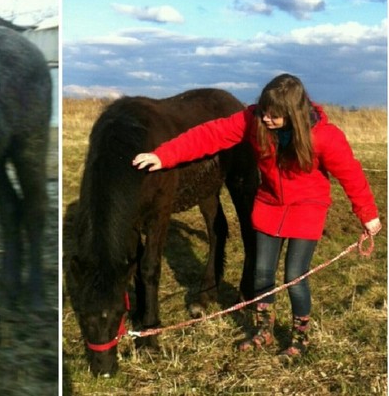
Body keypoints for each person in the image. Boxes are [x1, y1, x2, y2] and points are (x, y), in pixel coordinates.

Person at [132, 73, 382, 361]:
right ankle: (264, 329)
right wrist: (164, 156)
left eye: (273, 116)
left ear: (293, 115)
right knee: (262, 273)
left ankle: (300, 336)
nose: (264, 119)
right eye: (262, 111)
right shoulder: (253, 121)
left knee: (294, 277)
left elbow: (351, 174)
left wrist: (368, 215)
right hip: (269, 205)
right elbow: (208, 135)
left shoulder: (325, 137)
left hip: (307, 208)